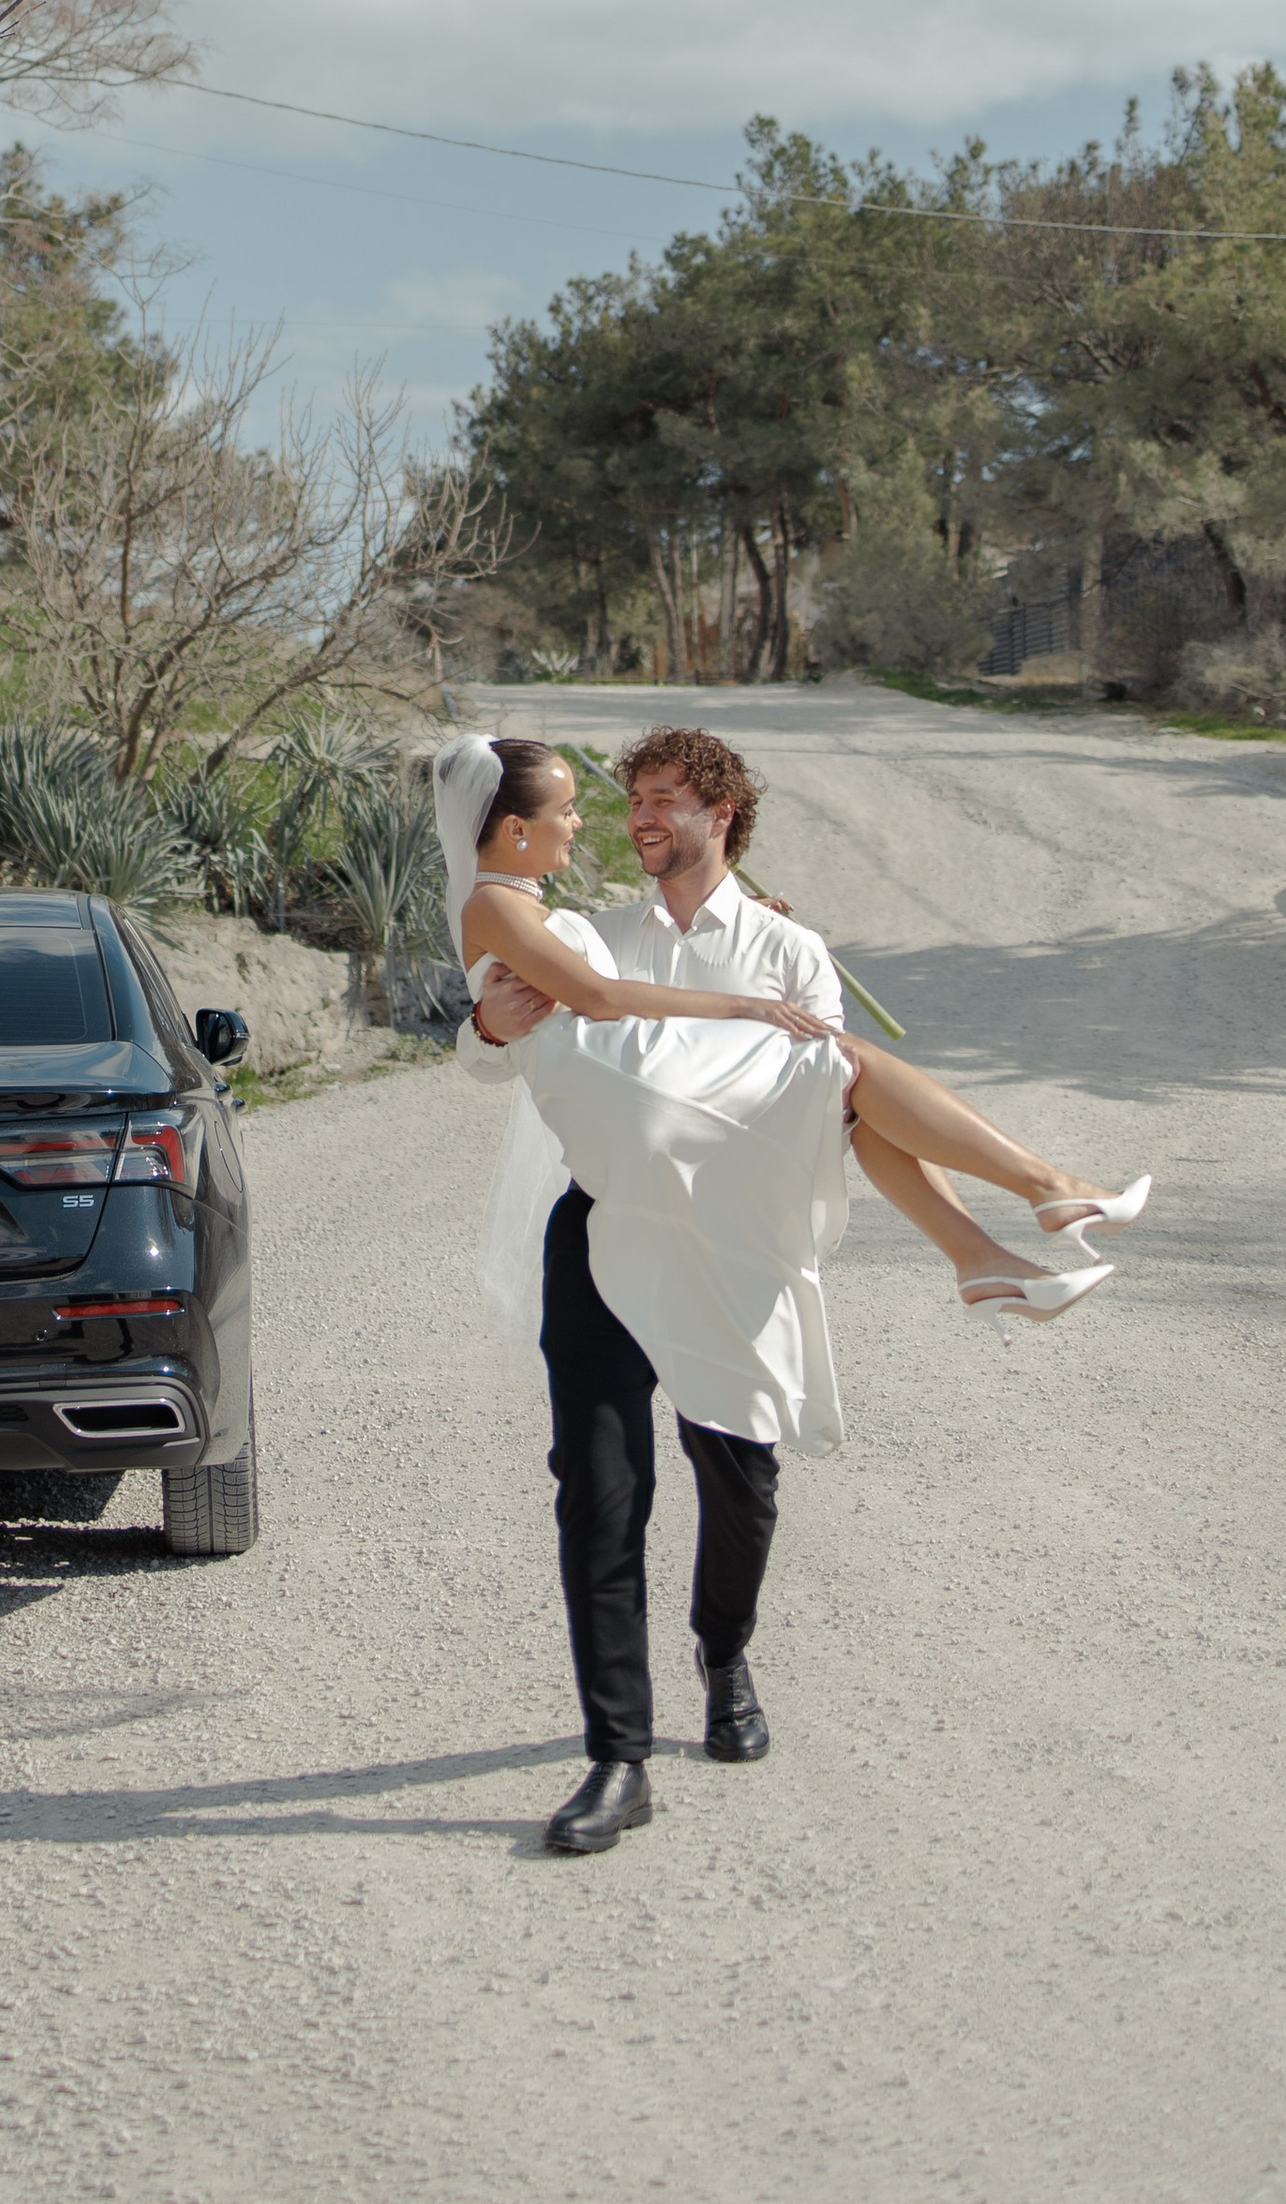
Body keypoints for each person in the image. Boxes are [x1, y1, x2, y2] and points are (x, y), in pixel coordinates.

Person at [443, 725, 1148, 1858]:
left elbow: (836, 1099)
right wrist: (481, 1023)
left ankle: (724, 1655)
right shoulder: (591, 932)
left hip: (736, 1243)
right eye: (633, 799)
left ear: (722, 812)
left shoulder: (790, 951)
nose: (641, 818)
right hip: (606, 1231)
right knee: (599, 1489)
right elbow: (498, 1038)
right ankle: (617, 1757)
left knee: (742, 1478)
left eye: (667, 797)